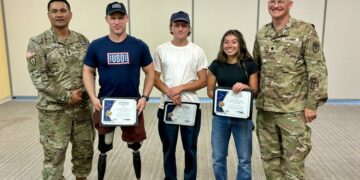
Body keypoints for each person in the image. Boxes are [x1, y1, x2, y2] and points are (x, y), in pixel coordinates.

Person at [253, 0, 328, 179]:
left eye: (281, 1)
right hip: (266, 110)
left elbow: (316, 69)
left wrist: (312, 104)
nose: (276, 5)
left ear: (290, 4)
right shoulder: (262, 33)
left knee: (293, 164)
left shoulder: (305, 31)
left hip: (292, 111)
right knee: (270, 162)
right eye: (272, 1)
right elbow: (255, 68)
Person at [82, 2, 154, 180]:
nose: (117, 22)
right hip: (105, 105)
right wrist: (92, 97)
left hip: (132, 105)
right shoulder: (96, 46)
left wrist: (144, 97)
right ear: (106, 19)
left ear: (126, 19)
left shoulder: (139, 46)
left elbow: (150, 72)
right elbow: (87, 71)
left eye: (120, 17)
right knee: (104, 146)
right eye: (112, 18)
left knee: (135, 146)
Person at [25, 0, 95, 179]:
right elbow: (39, 78)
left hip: (82, 110)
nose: (59, 14)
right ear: (48, 15)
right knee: (54, 157)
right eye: (54, 11)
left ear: (70, 14)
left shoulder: (82, 41)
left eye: (63, 10)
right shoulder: (37, 43)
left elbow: (90, 72)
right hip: (54, 114)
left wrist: (89, 94)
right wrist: (66, 96)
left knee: (84, 153)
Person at [153, 11, 208, 180]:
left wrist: (180, 89)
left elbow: (203, 80)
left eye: (184, 25)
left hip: (190, 106)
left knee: (190, 148)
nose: (180, 28)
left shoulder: (197, 51)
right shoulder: (161, 50)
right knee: (168, 147)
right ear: (171, 28)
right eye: (176, 25)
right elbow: (154, 78)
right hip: (167, 106)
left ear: (189, 28)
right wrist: (171, 92)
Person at [207, 30, 259, 180]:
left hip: (242, 118)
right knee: (218, 159)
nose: (230, 45)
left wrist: (245, 87)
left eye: (234, 41)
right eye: (226, 42)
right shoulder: (216, 65)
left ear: (240, 44)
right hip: (221, 117)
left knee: (244, 160)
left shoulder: (250, 64)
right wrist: (223, 97)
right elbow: (210, 91)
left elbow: (254, 91)